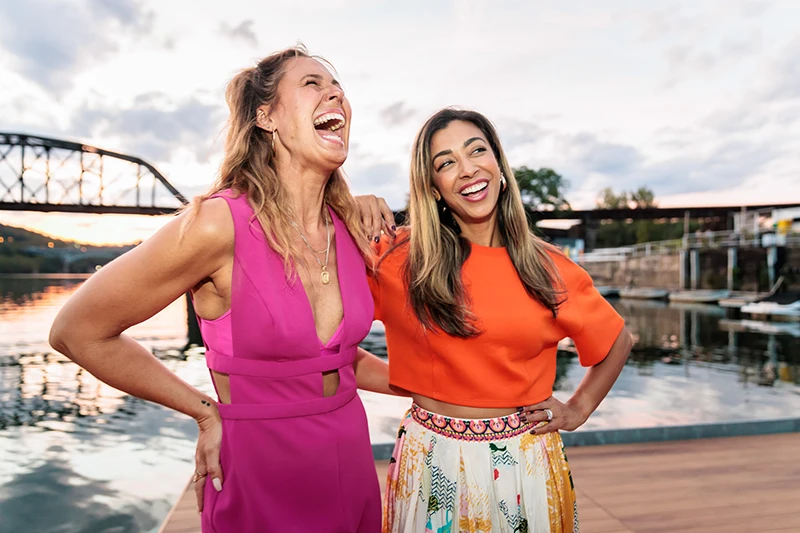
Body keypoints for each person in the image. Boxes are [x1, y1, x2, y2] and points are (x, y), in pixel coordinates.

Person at [48, 45, 397, 533]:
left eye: (336, 85)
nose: (334, 91)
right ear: (266, 117)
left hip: (349, 454)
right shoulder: (219, 224)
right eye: (312, 83)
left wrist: (439, 386)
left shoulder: (350, 228)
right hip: (259, 470)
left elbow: (342, 359)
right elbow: (77, 330)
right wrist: (204, 412)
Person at [367, 108, 633, 533]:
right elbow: (322, 326)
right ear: (433, 188)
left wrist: (579, 408)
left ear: (499, 167)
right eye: (446, 162)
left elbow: (618, 339)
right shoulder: (399, 257)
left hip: (523, 461)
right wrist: (342, 207)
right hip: (429, 456)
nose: (468, 169)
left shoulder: (549, 268)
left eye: (478, 151)